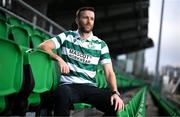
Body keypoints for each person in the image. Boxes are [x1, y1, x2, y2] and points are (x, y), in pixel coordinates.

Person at [39, 6, 124, 116]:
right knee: (62, 93)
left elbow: (109, 72)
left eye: (92, 19)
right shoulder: (67, 36)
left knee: (116, 105)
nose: (89, 21)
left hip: (90, 87)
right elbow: (43, 46)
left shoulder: (101, 44)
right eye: (85, 18)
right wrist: (58, 58)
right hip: (69, 85)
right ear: (77, 20)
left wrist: (115, 92)